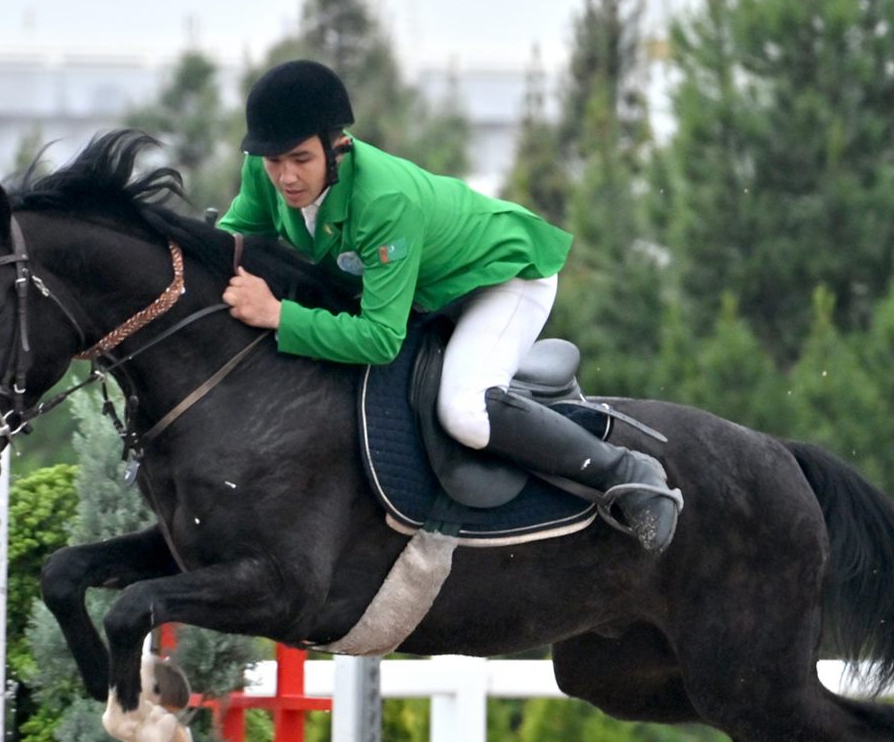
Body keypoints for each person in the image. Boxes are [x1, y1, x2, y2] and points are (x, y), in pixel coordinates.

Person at [217, 59, 679, 553]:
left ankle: (626, 472)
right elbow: (230, 242)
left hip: (503, 278)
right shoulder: (262, 170)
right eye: (273, 161)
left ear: (338, 146)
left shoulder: (383, 200)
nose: (285, 177)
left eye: (300, 159)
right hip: (425, 290)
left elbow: (379, 339)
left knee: (465, 413)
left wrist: (278, 315)